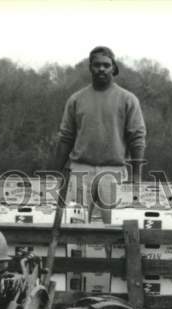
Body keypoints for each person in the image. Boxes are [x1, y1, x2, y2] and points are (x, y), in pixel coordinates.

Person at [52, 46, 146, 222]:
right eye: (97, 65)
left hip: (114, 171)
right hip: (80, 169)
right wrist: (55, 173)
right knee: (75, 224)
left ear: (113, 68)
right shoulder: (76, 99)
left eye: (106, 65)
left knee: (114, 225)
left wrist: (136, 175)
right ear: (90, 67)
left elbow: (137, 139)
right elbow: (65, 137)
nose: (101, 69)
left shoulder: (128, 99)